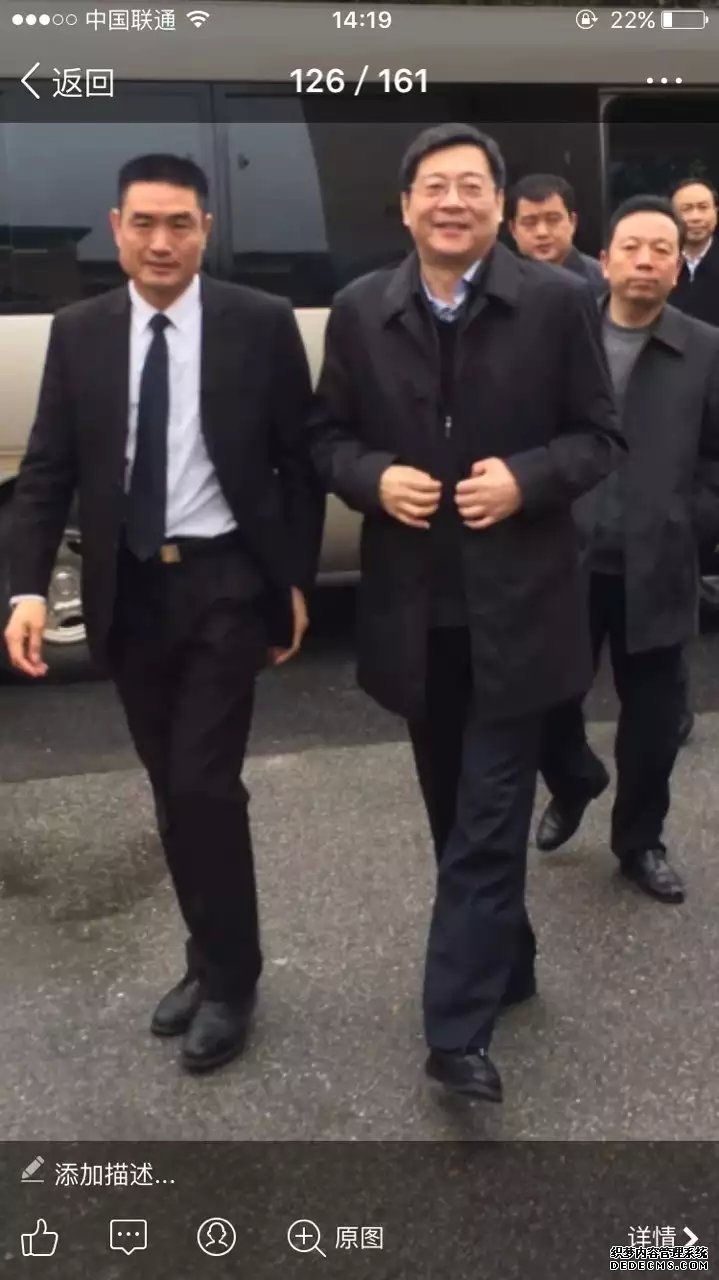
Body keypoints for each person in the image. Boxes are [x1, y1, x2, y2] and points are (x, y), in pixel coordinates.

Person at [309, 123, 623, 1103]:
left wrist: (526, 479)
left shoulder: (558, 301)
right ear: (405, 206)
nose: (452, 202)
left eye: (471, 186)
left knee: (487, 817)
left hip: (520, 607)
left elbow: (598, 436)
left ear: (497, 205)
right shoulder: (361, 309)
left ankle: (453, 1030)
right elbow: (324, 437)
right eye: (433, 187)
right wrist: (372, 476)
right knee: (452, 811)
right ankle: (507, 959)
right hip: (415, 614)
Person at [4, 154, 324, 1074]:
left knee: (202, 785)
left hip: (224, 583)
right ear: (116, 229)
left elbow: (298, 463)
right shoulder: (81, 331)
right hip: (129, 588)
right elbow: (48, 469)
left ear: (205, 231)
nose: (160, 241)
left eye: (179, 223)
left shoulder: (258, 322)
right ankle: (206, 954)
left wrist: (292, 580)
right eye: (143, 223)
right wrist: (28, 589)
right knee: (170, 787)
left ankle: (232, 982)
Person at [536, 195, 719, 905]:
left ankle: (639, 841)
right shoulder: (565, 335)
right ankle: (574, 779)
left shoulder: (705, 348)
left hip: (658, 564)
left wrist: (688, 520)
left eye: (661, 250)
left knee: (652, 725)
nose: (646, 261)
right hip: (565, 560)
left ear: (677, 268)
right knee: (546, 702)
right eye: (632, 248)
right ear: (604, 259)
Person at [507, 173, 605, 295]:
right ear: (513, 229)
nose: (542, 232)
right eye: (530, 222)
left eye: (553, 220)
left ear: (572, 222)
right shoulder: (500, 281)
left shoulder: (603, 279)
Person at [669, 178, 719, 327]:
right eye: (686, 209)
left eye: (703, 207)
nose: (696, 217)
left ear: (716, 212)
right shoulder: (661, 262)